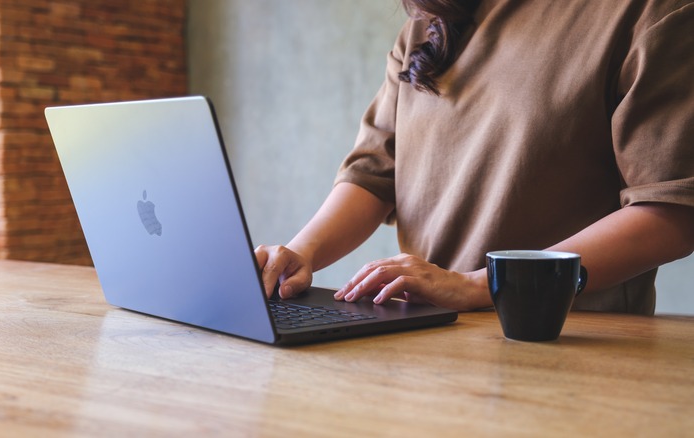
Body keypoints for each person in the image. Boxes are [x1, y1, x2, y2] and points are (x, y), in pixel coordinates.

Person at [254, 0, 694, 314]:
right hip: (429, 337)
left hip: (569, 344)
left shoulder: (652, 11)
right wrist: (300, 254)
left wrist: (480, 286)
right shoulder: (430, 22)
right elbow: (373, 173)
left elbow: (672, 213)